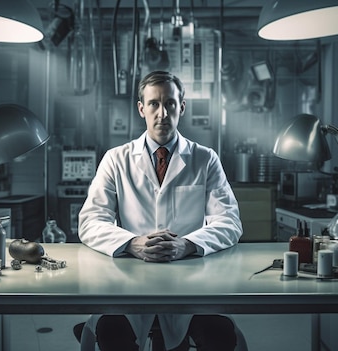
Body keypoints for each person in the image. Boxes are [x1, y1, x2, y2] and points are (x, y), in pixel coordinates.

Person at [78, 70, 243, 351]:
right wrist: (132, 244)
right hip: (130, 282)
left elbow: (229, 222)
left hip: (190, 283)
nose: (162, 113)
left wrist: (188, 244)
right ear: (141, 108)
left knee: (220, 335)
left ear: (182, 106)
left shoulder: (205, 159)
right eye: (154, 103)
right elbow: (91, 221)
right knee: (111, 334)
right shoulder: (116, 159)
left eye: (170, 103)